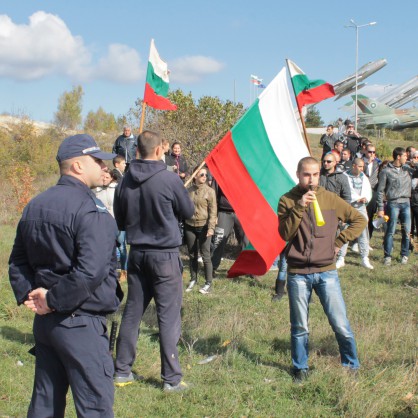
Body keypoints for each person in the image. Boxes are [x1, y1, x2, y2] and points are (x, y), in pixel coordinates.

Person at [9, 134, 123, 418]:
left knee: (45, 404)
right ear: (77, 166)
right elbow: (90, 272)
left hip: (47, 324)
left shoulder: (35, 205)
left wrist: (31, 295)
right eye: (97, 161)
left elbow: (17, 262)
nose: (104, 167)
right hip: (80, 323)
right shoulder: (92, 211)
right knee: (94, 406)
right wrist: (50, 300)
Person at [113, 130, 194, 392]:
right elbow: (189, 212)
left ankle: (122, 371)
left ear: (137, 149)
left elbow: (120, 219)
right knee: (168, 316)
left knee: (133, 312)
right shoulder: (169, 180)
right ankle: (171, 380)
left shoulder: (125, 180)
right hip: (164, 255)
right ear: (159, 150)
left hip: (137, 253)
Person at [278, 156, 366, 382]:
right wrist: (299, 207)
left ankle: (351, 365)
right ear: (298, 174)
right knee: (300, 326)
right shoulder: (287, 200)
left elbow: (359, 220)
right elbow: (284, 234)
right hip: (298, 272)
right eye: (307, 174)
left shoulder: (330, 199)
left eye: (315, 174)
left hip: (326, 271)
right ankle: (300, 368)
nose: (311, 179)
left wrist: (338, 242)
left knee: (340, 323)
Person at [376, 147, 413, 265]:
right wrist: (381, 208)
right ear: (398, 157)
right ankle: (387, 256)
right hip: (393, 203)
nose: (406, 158)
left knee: (406, 231)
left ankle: (404, 254)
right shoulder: (386, 171)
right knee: (391, 231)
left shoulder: (407, 169)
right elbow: (380, 191)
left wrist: (414, 163)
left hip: (406, 202)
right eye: (405, 156)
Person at [184, 166, 217, 294]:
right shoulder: (188, 190)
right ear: (195, 176)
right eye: (202, 174)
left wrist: (211, 228)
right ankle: (193, 279)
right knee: (192, 254)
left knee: (205, 255)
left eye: (205, 175)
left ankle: (208, 282)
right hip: (189, 225)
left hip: (204, 227)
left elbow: (213, 212)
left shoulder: (210, 192)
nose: (204, 177)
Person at [337, 158, 374, 269]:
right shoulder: (344, 176)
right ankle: (341, 257)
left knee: (363, 231)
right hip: (349, 206)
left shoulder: (364, 178)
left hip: (361, 207)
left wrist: (365, 199)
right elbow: (345, 191)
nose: (362, 169)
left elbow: (368, 191)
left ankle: (364, 257)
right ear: (354, 166)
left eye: (363, 167)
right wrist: (355, 199)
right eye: (360, 166)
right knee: (345, 231)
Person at [94, 169, 128, 282]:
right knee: (106, 248)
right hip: (103, 223)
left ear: (112, 178)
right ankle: (109, 272)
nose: (104, 179)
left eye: (107, 177)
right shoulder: (96, 190)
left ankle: (124, 271)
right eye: (103, 177)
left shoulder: (117, 189)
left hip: (117, 222)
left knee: (122, 247)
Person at [211, 179, 249, 277]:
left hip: (242, 212)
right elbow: (213, 194)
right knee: (218, 241)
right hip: (224, 212)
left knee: (247, 241)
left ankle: (249, 269)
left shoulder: (244, 172)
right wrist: (214, 215)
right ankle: (211, 268)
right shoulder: (219, 172)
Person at [363, 144, 381, 240]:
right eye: (370, 152)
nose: (372, 154)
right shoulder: (361, 162)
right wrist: (368, 163)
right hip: (362, 192)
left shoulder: (377, 164)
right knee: (361, 216)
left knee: (371, 215)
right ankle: (357, 240)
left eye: (374, 152)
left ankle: (368, 238)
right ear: (365, 151)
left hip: (373, 191)